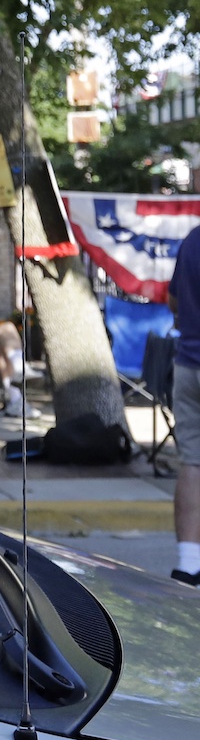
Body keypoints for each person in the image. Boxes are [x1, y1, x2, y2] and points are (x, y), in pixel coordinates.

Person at [167, 228, 200, 586]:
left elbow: (173, 301)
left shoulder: (192, 240)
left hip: (189, 365)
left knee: (193, 461)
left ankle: (189, 563)